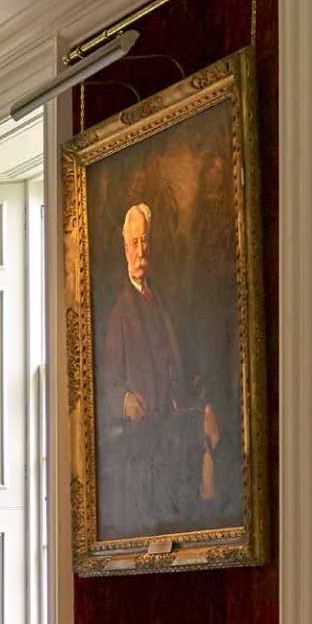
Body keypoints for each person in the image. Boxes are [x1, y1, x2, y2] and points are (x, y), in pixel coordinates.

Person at [99, 196, 219, 535]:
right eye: (134, 243)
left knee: (209, 435)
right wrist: (123, 400)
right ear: (124, 248)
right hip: (144, 433)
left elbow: (185, 365)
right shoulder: (116, 310)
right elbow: (102, 382)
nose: (141, 251)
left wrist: (204, 403)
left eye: (145, 241)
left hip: (173, 419)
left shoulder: (164, 300)